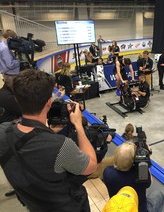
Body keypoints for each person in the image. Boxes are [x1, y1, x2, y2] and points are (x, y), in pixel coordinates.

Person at [0, 69, 98, 211]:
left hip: (33, 204)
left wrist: (47, 132)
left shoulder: (3, 132)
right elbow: (91, 166)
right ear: (49, 102)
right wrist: (78, 125)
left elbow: (28, 146)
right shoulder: (60, 146)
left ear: (16, 99)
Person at [103, 142, 164, 212]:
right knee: (159, 195)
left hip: (119, 204)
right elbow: (149, 182)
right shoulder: (139, 176)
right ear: (133, 161)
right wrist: (146, 159)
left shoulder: (107, 172)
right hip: (138, 209)